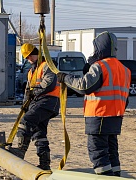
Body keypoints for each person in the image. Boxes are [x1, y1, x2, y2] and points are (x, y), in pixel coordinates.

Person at [57, 31, 131, 176]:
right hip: (115, 117)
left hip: (99, 115)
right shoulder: (124, 70)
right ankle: (116, 176)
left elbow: (84, 86)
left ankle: (105, 178)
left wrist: (65, 78)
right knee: (111, 151)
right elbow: (125, 98)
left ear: (100, 47)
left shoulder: (100, 66)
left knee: (98, 152)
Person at [9, 43, 60, 170]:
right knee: (39, 133)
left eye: (29, 56)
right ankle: (44, 165)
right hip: (39, 103)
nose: (28, 59)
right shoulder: (32, 71)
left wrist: (34, 92)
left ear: (35, 53)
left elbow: (48, 84)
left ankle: (20, 151)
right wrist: (25, 105)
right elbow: (28, 90)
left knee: (26, 122)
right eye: (26, 57)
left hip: (48, 101)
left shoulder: (47, 65)